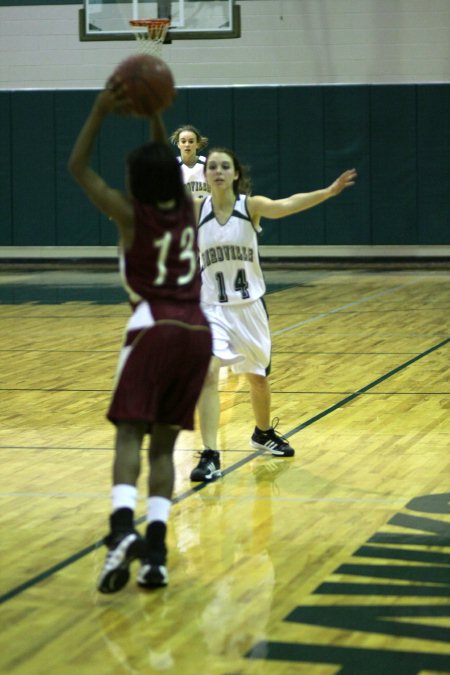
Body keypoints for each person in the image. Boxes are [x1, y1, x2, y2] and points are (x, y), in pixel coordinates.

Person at [68, 81, 212, 591]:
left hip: (153, 325)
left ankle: (121, 529)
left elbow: (78, 169)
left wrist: (99, 110)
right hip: (198, 330)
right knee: (164, 445)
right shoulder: (189, 212)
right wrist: (155, 116)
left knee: (131, 434)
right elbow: (166, 169)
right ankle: (155, 551)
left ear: (135, 181)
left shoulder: (130, 215)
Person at [189, 147, 357, 482]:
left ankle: (262, 433)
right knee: (207, 376)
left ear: (236, 174)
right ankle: (209, 455)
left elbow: (288, 204)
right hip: (211, 309)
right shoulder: (196, 209)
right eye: (212, 167)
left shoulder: (250, 206)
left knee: (258, 379)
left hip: (249, 308)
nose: (218, 171)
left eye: (225, 166)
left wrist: (328, 191)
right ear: (205, 175)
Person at [169, 124, 211, 200]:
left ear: (197, 144)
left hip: (204, 209)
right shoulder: (171, 165)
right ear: (178, 144)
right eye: (183, 141)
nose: (187, 144)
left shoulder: (207, 164)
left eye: (191, 141)